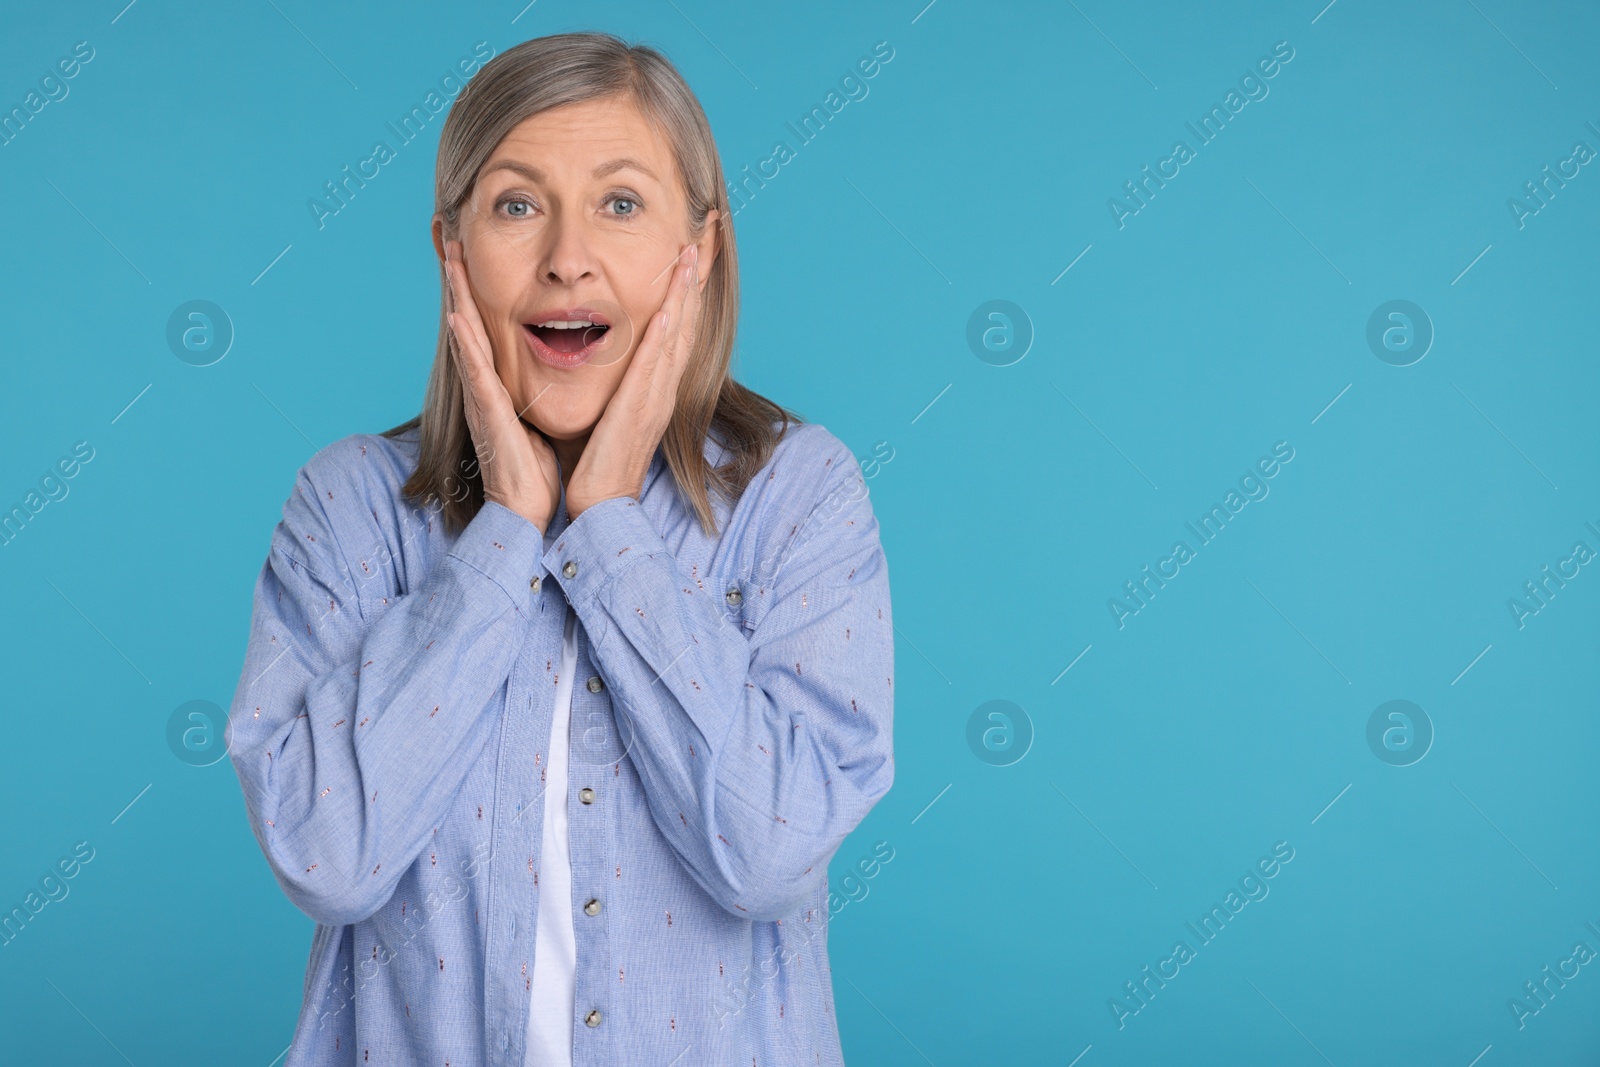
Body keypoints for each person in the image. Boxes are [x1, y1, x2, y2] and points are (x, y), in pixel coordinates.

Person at [224, 30, 895, 1067]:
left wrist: (611, 526)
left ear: (698, 252)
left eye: (620, 203)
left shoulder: (798, 495)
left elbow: (767, 848)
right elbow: (327, 854)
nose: (565, 256)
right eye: (516, 204)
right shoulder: (348, 504)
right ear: (452, 250)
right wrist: (504, 538)